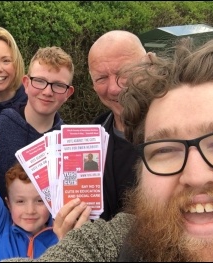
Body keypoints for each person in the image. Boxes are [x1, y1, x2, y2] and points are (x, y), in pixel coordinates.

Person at [1, 37, 213, 262]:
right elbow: (93, 243)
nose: (114, 88)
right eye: (165, 150)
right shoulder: (86, 140)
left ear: (149, 61)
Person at [0, 123, 91, 261]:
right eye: (20, 201)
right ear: (8, 204)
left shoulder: (63, 233)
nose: (30, 210)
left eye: (40, 200)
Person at [0, 46, 75, 206]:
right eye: (39, 81)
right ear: (26, 83)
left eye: (59, 85)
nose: (47, 92)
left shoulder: (73, 144)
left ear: (68, 93)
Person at [88, 30, 149, 220]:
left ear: (149, 65)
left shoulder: (178, 132)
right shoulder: (91, 138)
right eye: (101, 78)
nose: (114, 88)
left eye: (125, 72)